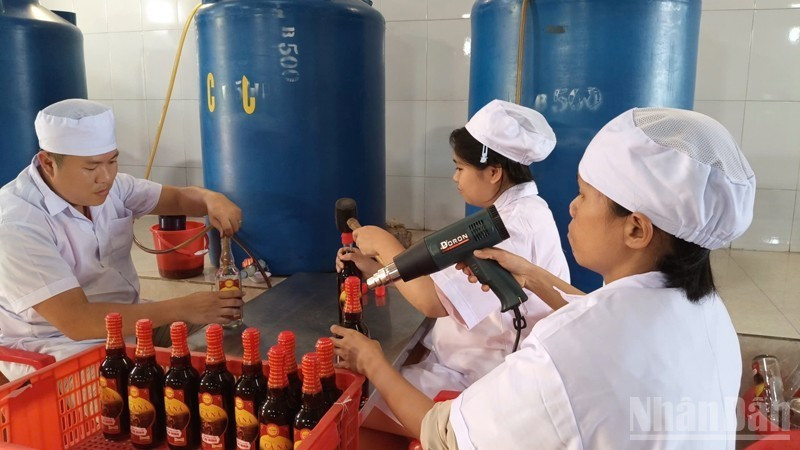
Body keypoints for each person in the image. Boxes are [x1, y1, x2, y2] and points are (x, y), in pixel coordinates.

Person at [332, 107, 755, 448]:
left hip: (478, 386)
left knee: (353, 413)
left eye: (585, 196)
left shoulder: (564, 353)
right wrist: (534, 277)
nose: (570, 208)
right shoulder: (709, 315)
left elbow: (446, 435)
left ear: (636, 229)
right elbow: (604, 318)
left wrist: (371, 360)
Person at [337, 99, 569, 433]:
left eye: (460, 167)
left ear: (492, 172)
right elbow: (445, 279)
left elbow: (432, 300)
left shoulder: (512, 227)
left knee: (349, 408)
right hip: (463, 361)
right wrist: (375, 269)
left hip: (484, 381)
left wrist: (386, 246)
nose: (454, 177)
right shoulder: (515, 212)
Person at [0, 99, 244, 381]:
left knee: (221, 338)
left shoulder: (113, 187)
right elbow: (77, 321)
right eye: (91, 168)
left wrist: (212, 200)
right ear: (48, 163)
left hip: (129, 321)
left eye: (112, 161)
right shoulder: (18, 222)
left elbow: (177, 198)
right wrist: (184, 307)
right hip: (61, 347)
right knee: (152, 397)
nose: (106, 177)